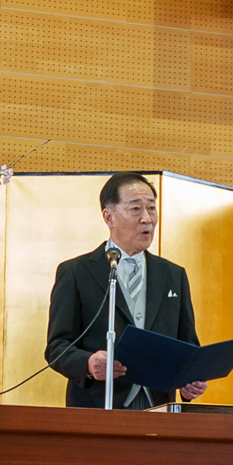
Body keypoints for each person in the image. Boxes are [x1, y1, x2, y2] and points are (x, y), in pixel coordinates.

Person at [45, 172, 208, 409]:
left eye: (152, 208)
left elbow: (188, 346)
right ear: (108, 217)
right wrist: (88, 363)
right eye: (135, 209)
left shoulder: (174, 275)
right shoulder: (76, 272)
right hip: (97, 407)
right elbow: (57, 347)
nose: (147, 218)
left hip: (159, 407)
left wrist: (191, 378)